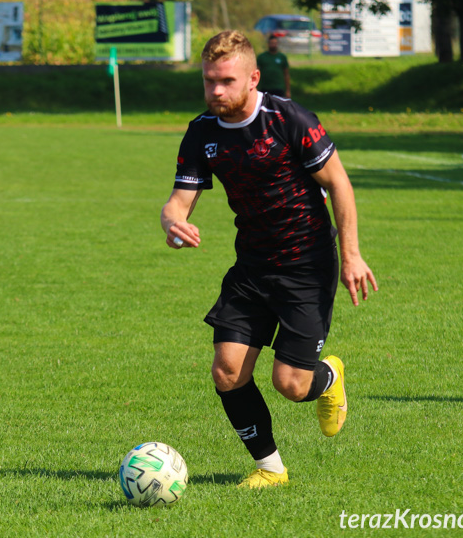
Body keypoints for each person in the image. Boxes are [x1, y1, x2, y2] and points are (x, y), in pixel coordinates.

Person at [161, 30, 376, 488]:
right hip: (252, 268)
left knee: (291, 385)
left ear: (253, 77)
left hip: (306, 267)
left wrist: (352, 256)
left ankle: (328, 376)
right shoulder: (202, 131)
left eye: (226, 81)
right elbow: (180, 199)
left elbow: (338, 183)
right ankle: (270, 469)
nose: (216, 91)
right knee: (227, 370)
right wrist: (172, 222)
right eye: (208, 81)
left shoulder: (288, 119)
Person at [256, 34, 290, 98]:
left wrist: (288, 90)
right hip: (265, 88)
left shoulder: (282, 57)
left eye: (275, 43)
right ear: (268, 44)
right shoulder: (262, 57)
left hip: (278, 88)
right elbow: (256, 72)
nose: (273, 45)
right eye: (271, 43)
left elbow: (286, 74)